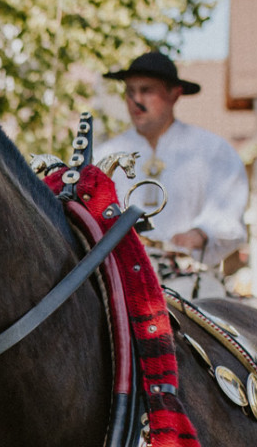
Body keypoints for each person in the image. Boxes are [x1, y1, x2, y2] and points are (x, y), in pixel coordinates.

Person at [93, 51, 248, 289]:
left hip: (189, 278)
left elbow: (228, 211)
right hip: (120, 281)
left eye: (146, 90)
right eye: (130, 91)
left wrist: (201, 232)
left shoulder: (211, 150)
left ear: (174, 94)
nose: (136, 100)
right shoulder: (107, 156)